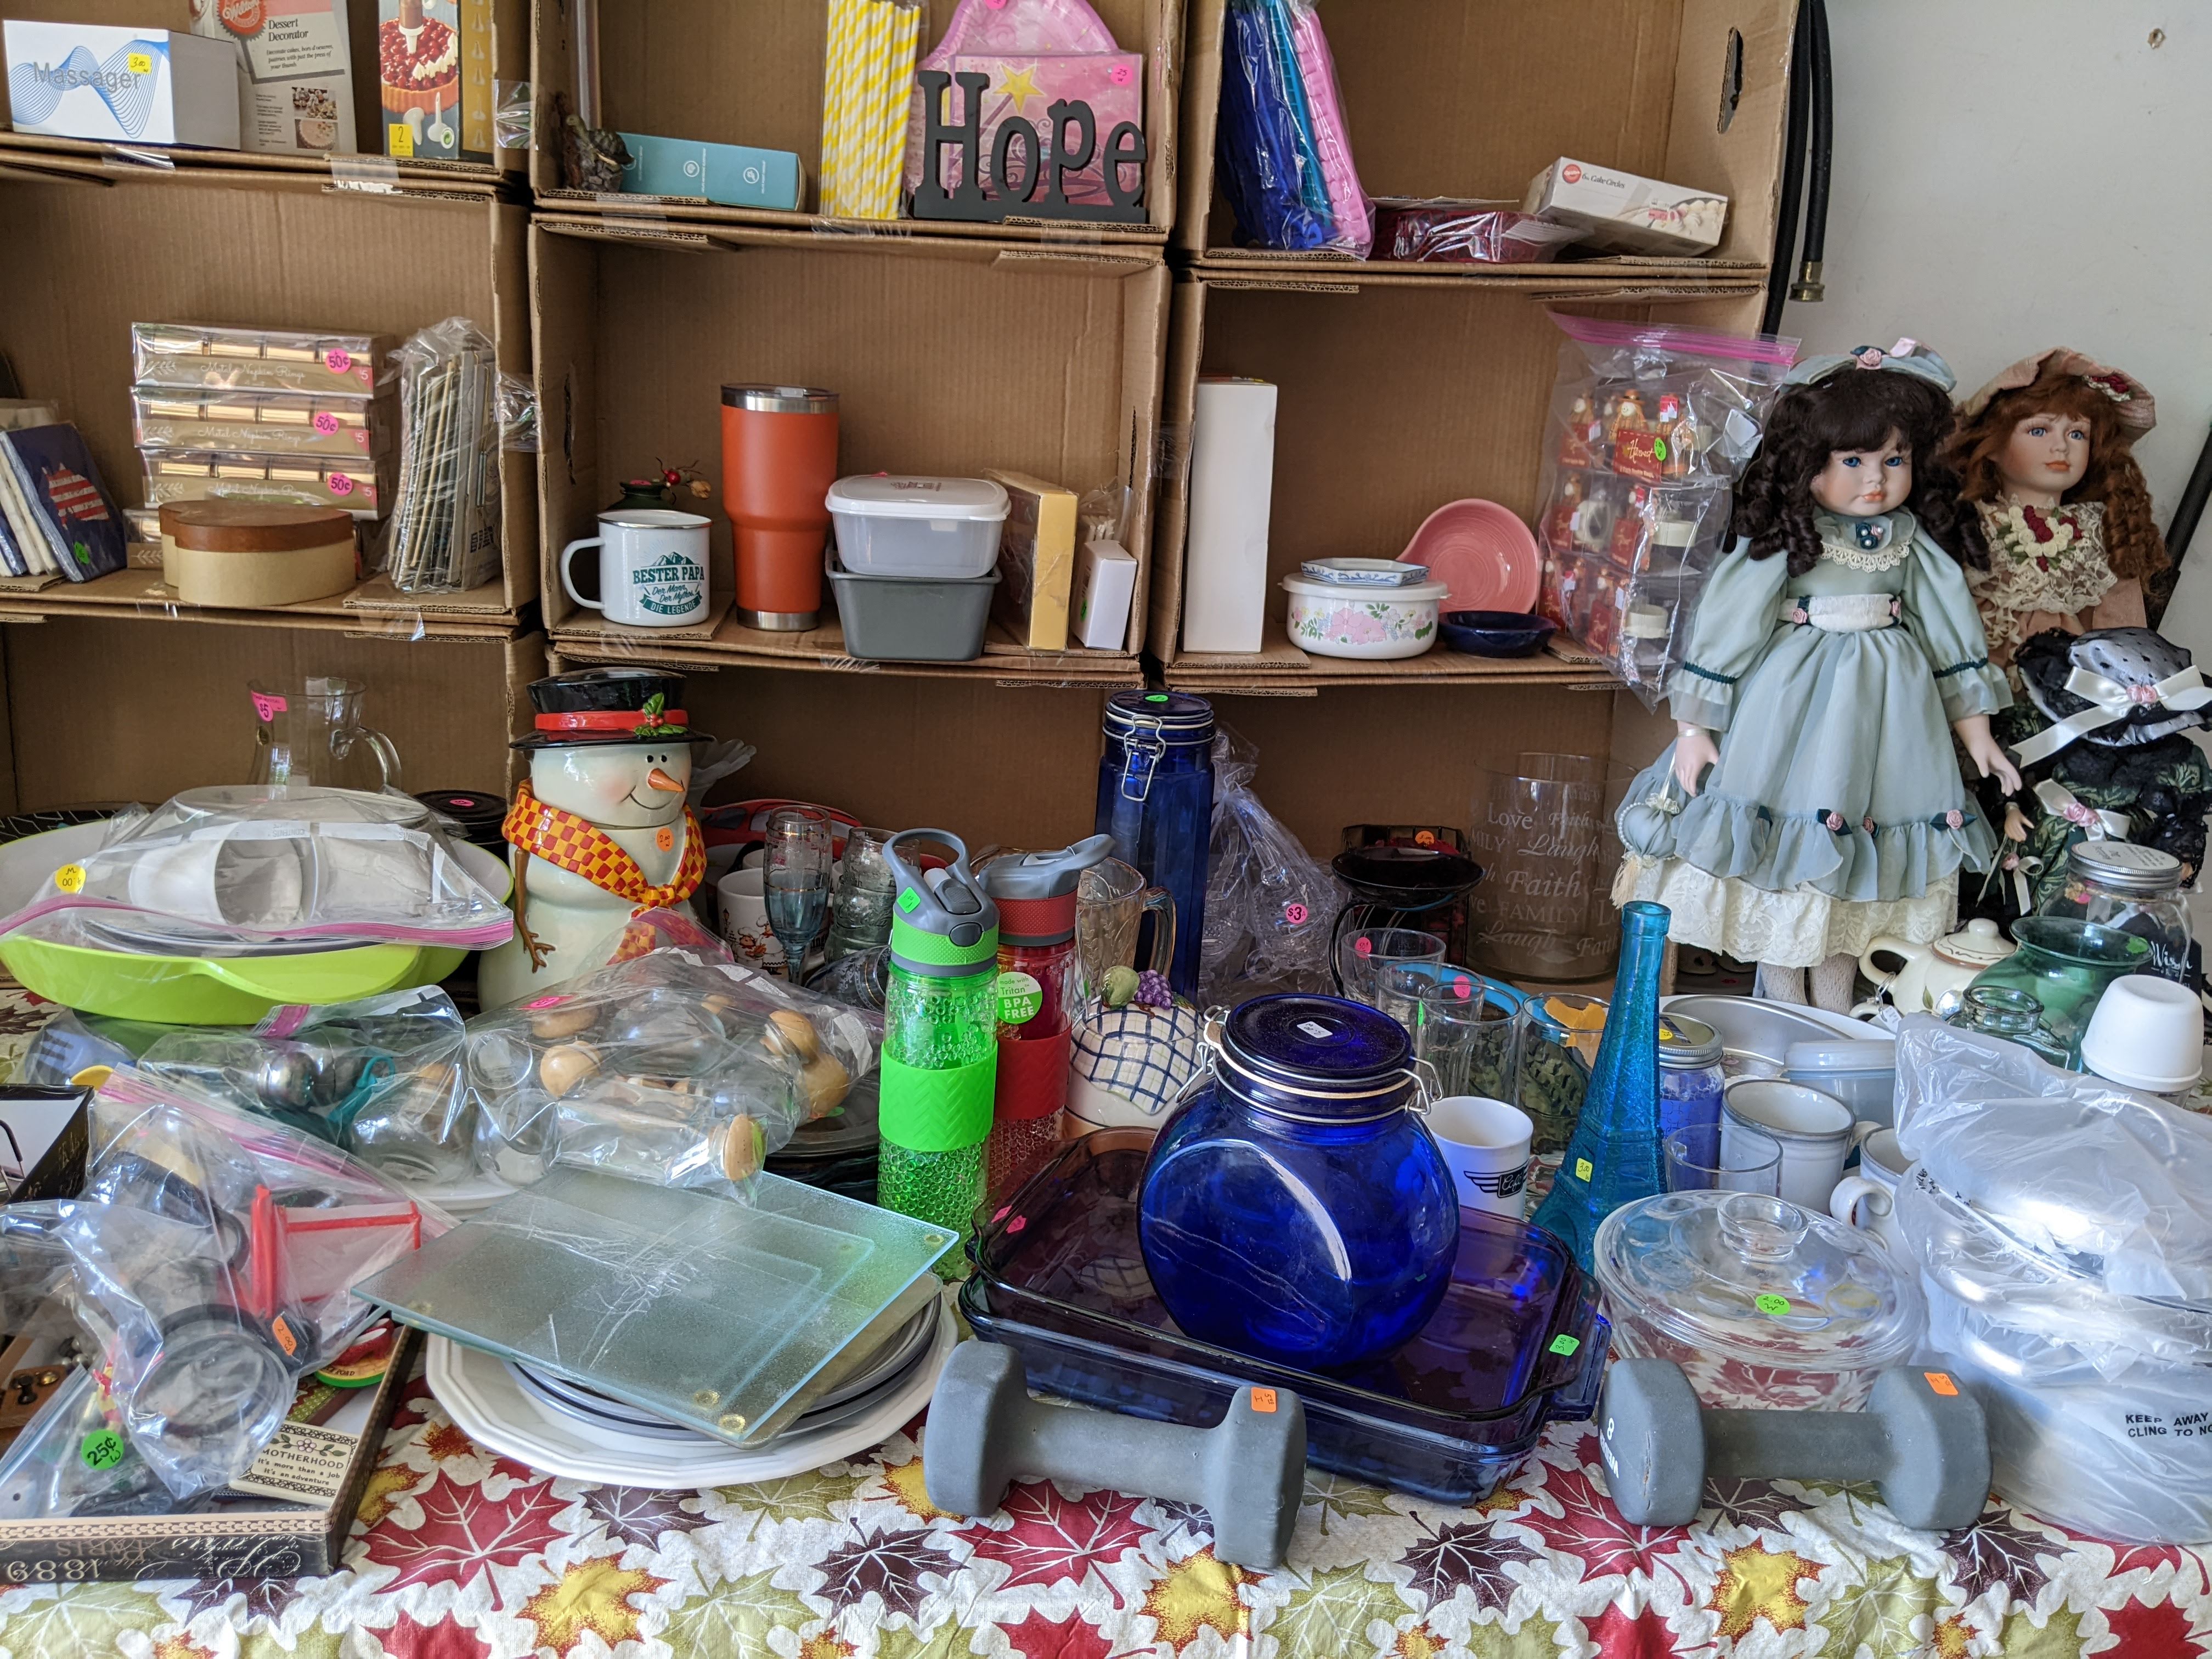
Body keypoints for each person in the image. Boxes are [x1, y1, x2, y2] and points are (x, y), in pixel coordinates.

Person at [1615, 341, 2020, 1011]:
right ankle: (1782, 1009)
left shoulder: (1912, 541)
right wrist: (1695, 726)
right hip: (1790, 712)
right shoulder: (1787, 537)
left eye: (1895, 460)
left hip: (1892, 722)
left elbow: (1952, 637)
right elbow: (1729, 628)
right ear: (1810, 463)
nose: (1876, 480)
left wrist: (1977, 732)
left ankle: (1832, 1016)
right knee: (1787, 855)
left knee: (1858, 866)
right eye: (1853, 461)